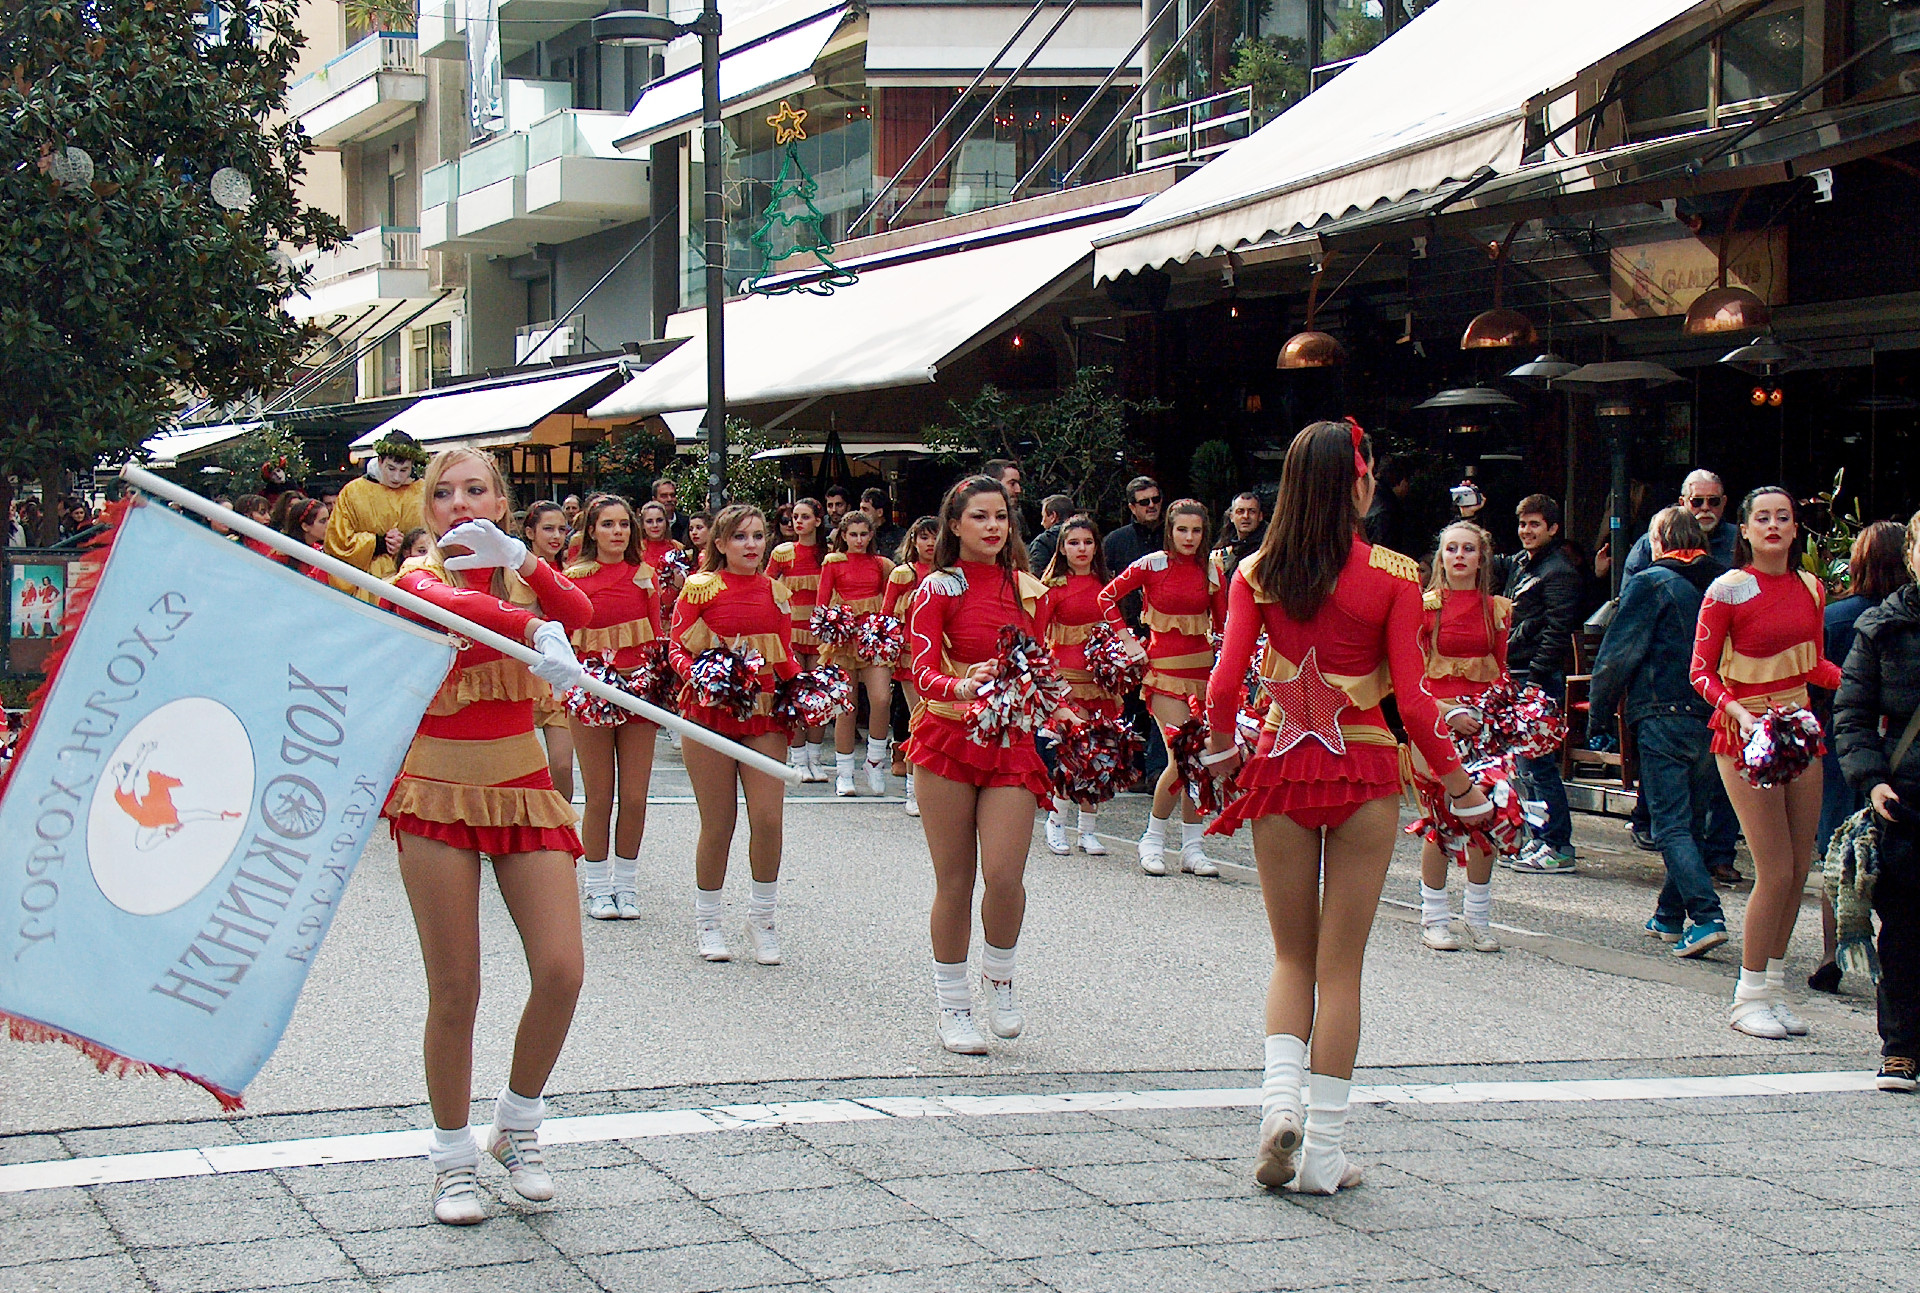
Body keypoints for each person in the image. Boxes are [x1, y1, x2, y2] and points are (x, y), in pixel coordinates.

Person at [1204, 421, 1488, 1195]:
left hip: (1282, 771)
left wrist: (1222, 753)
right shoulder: (1395, 576)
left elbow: (1225, 684)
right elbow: (1417, 704)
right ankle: (1324, 1152)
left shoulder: (1257, 570)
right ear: (1360, 483)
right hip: (1362, 771)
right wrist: (1463, 789)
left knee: (1291, 958)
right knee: (1342, 967)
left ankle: (1277, 1107)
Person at [382, 448, 591, 1226]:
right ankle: (449, 1157)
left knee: (562, 968)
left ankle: (518, 1124)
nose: (461, 504)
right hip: (436, 789)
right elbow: (462, 613)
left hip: (522, 789)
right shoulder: (414, 577)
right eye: (444, 492)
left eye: (478, 489)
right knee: (456, 986)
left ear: (502, 501)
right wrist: (532, 622)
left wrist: (526, 565)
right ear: (426, 508)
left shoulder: (516, 569)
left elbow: (586, 616)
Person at [906, 475, 1075, 1055]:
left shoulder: (1033, 589)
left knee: (1005, 877)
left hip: (1012, 745)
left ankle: (999, 980)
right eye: (979, 517)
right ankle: (952, 1005)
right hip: (947, 739)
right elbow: (920, 667)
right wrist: (961, 682)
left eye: (1000, 516)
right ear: (954, 526)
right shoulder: (936, 587)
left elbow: (1039, 668)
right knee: (955, 880)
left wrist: (1066, 710)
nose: (993, 526)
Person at [1691, 486, 1844, 1039]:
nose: (1774, 525)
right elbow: (1701, 672)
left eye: (1784, 516)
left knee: (1800, 870)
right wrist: (1739, 711)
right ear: (1747, 530)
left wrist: (1864, 685)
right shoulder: (1726, 590)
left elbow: (1816, 662)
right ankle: (1747, 994)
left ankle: (1774, 988)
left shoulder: (1811, 587)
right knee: (1773, 868)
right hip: (1744, 732)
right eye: (1763, 517)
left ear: (1795, 528)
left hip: (1799, 730)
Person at [1587, 507, 1735, 959]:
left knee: (1669, 824)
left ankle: (1706, 916)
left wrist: (1598, 718)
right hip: (1714, 714)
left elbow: (1617, 655)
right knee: (1691, 821)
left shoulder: (1650, 582)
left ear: (1657, 542)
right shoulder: (1726, 584)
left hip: (1662, 712)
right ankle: (1669, 916)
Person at [669, 504, 800, 965]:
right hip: (709, 713)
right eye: (741, 537)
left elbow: (784, 655)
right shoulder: (701, 588)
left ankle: (762, 920)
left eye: (759, 535)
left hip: (764, 713)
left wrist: (804, 689)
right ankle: (708, 922)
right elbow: (677, 646)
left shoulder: (775, 591)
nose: (752, 544)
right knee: (718, 821)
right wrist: (704, 675)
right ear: (720, 544)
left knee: (768, 820)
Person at [1833, 511, 1920, 1091]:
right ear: (1912, 554)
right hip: (1907, 799)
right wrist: (1871, 779)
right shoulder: (1884, 625)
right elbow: (1853, 711)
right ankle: (1901, 1048)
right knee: (1908, 930)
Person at [1810, 521, 1913, 991]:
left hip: (1845, 750)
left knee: (1844, 850)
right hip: (1890, 756)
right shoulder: (1885, 620)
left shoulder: (1837, 617)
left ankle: (1836, 952)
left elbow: (1819, 684)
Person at [1100, 499, 1227, 877]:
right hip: (1164, 676)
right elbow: (1106, 597)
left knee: (1202, 761)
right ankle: (1152, 838)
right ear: (1170, 531)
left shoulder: (1212, 569)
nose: (1189, 538)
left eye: (1196, 530)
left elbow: (1223, 626)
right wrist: (1127, 640)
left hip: (1204, 677)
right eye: (1181, 530)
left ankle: (1192, 847)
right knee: (1181, 757)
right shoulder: (1151, 563)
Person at [1409, 520, 1510, 954]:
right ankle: (1434, 918)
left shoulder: (1498, 610)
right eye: (1452, 549)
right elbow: (1409, 676)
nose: (1460, 556)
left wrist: (1493, 716)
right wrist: (1448, 713)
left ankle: (1478, 917)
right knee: (1441, 823)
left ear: (1481, 557)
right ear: (1441, 556)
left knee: (1487, 818)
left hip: (1483, 727)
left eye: (1469, 549)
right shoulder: (1424, 608)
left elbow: (1503, 674)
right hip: (1434, 724)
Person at [565, 495, 665, 922]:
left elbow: (658, 637)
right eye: (607, 524)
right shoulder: (573, 578)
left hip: (639, 691)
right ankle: (598, 886)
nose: (618, 532)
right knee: (600, 795)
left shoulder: (646, 576)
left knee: (636, 797)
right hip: (591, 691)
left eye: (624, 524)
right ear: (591, 531)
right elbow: (562, 640)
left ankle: (626, 884)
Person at [1492, 495, 1582, 874]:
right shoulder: (1519, 564)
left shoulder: (1559, 571)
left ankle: (1558, 844)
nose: (1526, 531)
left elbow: (1557, 632)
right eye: (1522, 524)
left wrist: (1536, 681)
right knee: (1522, 765)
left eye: (1535, 525)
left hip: (1535, 677)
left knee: (1539, 763)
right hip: (1517, 672)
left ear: (1553, 528)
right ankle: (1538, 837)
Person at [1036, 515, 1116, 856]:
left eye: (1087, 542)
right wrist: (1051, 684)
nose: (1081, 549)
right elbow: (1036, 640)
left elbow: (1117, 630)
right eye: (1073, 543)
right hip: (1066, 680)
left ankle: (1088, 829)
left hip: (1101, 682)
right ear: (1062, 548)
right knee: (1071, 753)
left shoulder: (1106, 584)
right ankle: (1056, 822)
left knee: (1099, 753)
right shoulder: (1052, 588)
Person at [816, 509, 896, 796]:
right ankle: (844, 772)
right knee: (845, 707)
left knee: (881, 698)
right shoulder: (833, 562)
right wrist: (832, 625)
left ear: (871, 535)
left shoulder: (882, 564)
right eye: (853, 535)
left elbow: (890, 603)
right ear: (843, 536)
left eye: (864, 534)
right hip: (843, 641)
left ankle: (875, 761)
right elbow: (821, 604)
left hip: (874, 638)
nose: (859, 540)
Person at [1104, 476, 1167, 787]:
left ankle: (1158, 770)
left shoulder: (1172, 535)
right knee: (1132, 705)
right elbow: (1105, 588)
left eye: (1156, 499)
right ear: (1132, 507)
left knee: (1162, 701)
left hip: (1165, 632)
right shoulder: (1116, 541)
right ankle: (1134, 769)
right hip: (1128, 632)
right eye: (1145, 502)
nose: (1153, 506)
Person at [324, 433, 429, 602]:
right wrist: (379, 543)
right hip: (370, 583)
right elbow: (336, 541)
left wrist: (409, 543)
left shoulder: (423, 491)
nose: (397, 477)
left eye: (404, 470)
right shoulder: (353, 492)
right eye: (391, 468)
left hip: (416, 578)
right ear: (380, 461)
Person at [769, 498, 830, 781]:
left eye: (805, 517)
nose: (798, 522)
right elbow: (766, 585)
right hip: (791, 631)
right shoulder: (782, 552)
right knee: (794, 693)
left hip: (820, 632)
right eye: (795, 516)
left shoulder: (828, 553)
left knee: (819, 693)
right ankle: (798, 758)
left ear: (818, 520)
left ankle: (815, 758)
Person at [522, 501, 576, 804]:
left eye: (561, 529)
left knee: (562, 765)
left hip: (557, 681)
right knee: (519, 767)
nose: (556, 536)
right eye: (548, 529)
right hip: (520, 676)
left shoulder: (570, 573)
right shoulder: (508, 573)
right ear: (530, 532)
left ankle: (560, 831)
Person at [885, 517, 940, 817]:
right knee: (919, 718)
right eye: (924, 537)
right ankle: (911, 789)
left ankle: (934, 786)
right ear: (914, 541)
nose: (930, 543)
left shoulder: (949, 573)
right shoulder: (902, 574)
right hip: (910, 659)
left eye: (935, 537)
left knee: (937, 723)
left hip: (945, 659)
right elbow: (886, 618)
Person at [1620, 469, 1737, 582]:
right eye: (1697, 501)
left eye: (1714, 501)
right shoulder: (1652, 541)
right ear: (1683, 503)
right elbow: (1630, 594)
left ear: (1724, 502)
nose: (1705, 507)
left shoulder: (1740, 539)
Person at [279, 498, 333, 584]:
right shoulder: (281, 553)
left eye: (328, 519)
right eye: (322, 521)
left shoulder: (323, 551)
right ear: (305, 526)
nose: (329, 524)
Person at [1026, 494, 1075, 573]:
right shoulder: (1087, 537)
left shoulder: (1043, 542)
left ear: (1053, 516)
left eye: (1043, 516)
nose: (1042, 523)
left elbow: (1035, 575)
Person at [1218, 491, 1266, 566]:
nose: (1246, 516)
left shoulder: (1267, 548)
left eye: (1252, 511)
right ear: (1231, 517)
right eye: (1240, 511)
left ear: (1260, 516)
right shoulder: (1226, 551)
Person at [862, 487, 905, 556]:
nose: (861, 513)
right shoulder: (861, 536)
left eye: (865, 509)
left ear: (880, 512)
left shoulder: (900, 537)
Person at [651, 477, 690, 544]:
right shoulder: (647, 526)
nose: (669, 499)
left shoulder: (688, 524)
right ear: (654, 499)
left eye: (672, 495)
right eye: (664, 496)